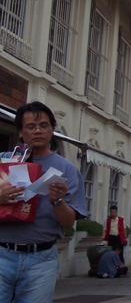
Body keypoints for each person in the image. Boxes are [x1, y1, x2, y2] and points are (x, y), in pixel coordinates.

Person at [0, 101, 87, 302]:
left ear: (52, 130)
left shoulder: (67, 170)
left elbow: (68, 223)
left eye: (44, 126)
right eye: (31, 127)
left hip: (41, 259)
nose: (38, 131)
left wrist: (58, 201)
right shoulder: (5, 161)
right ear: (21, 132)